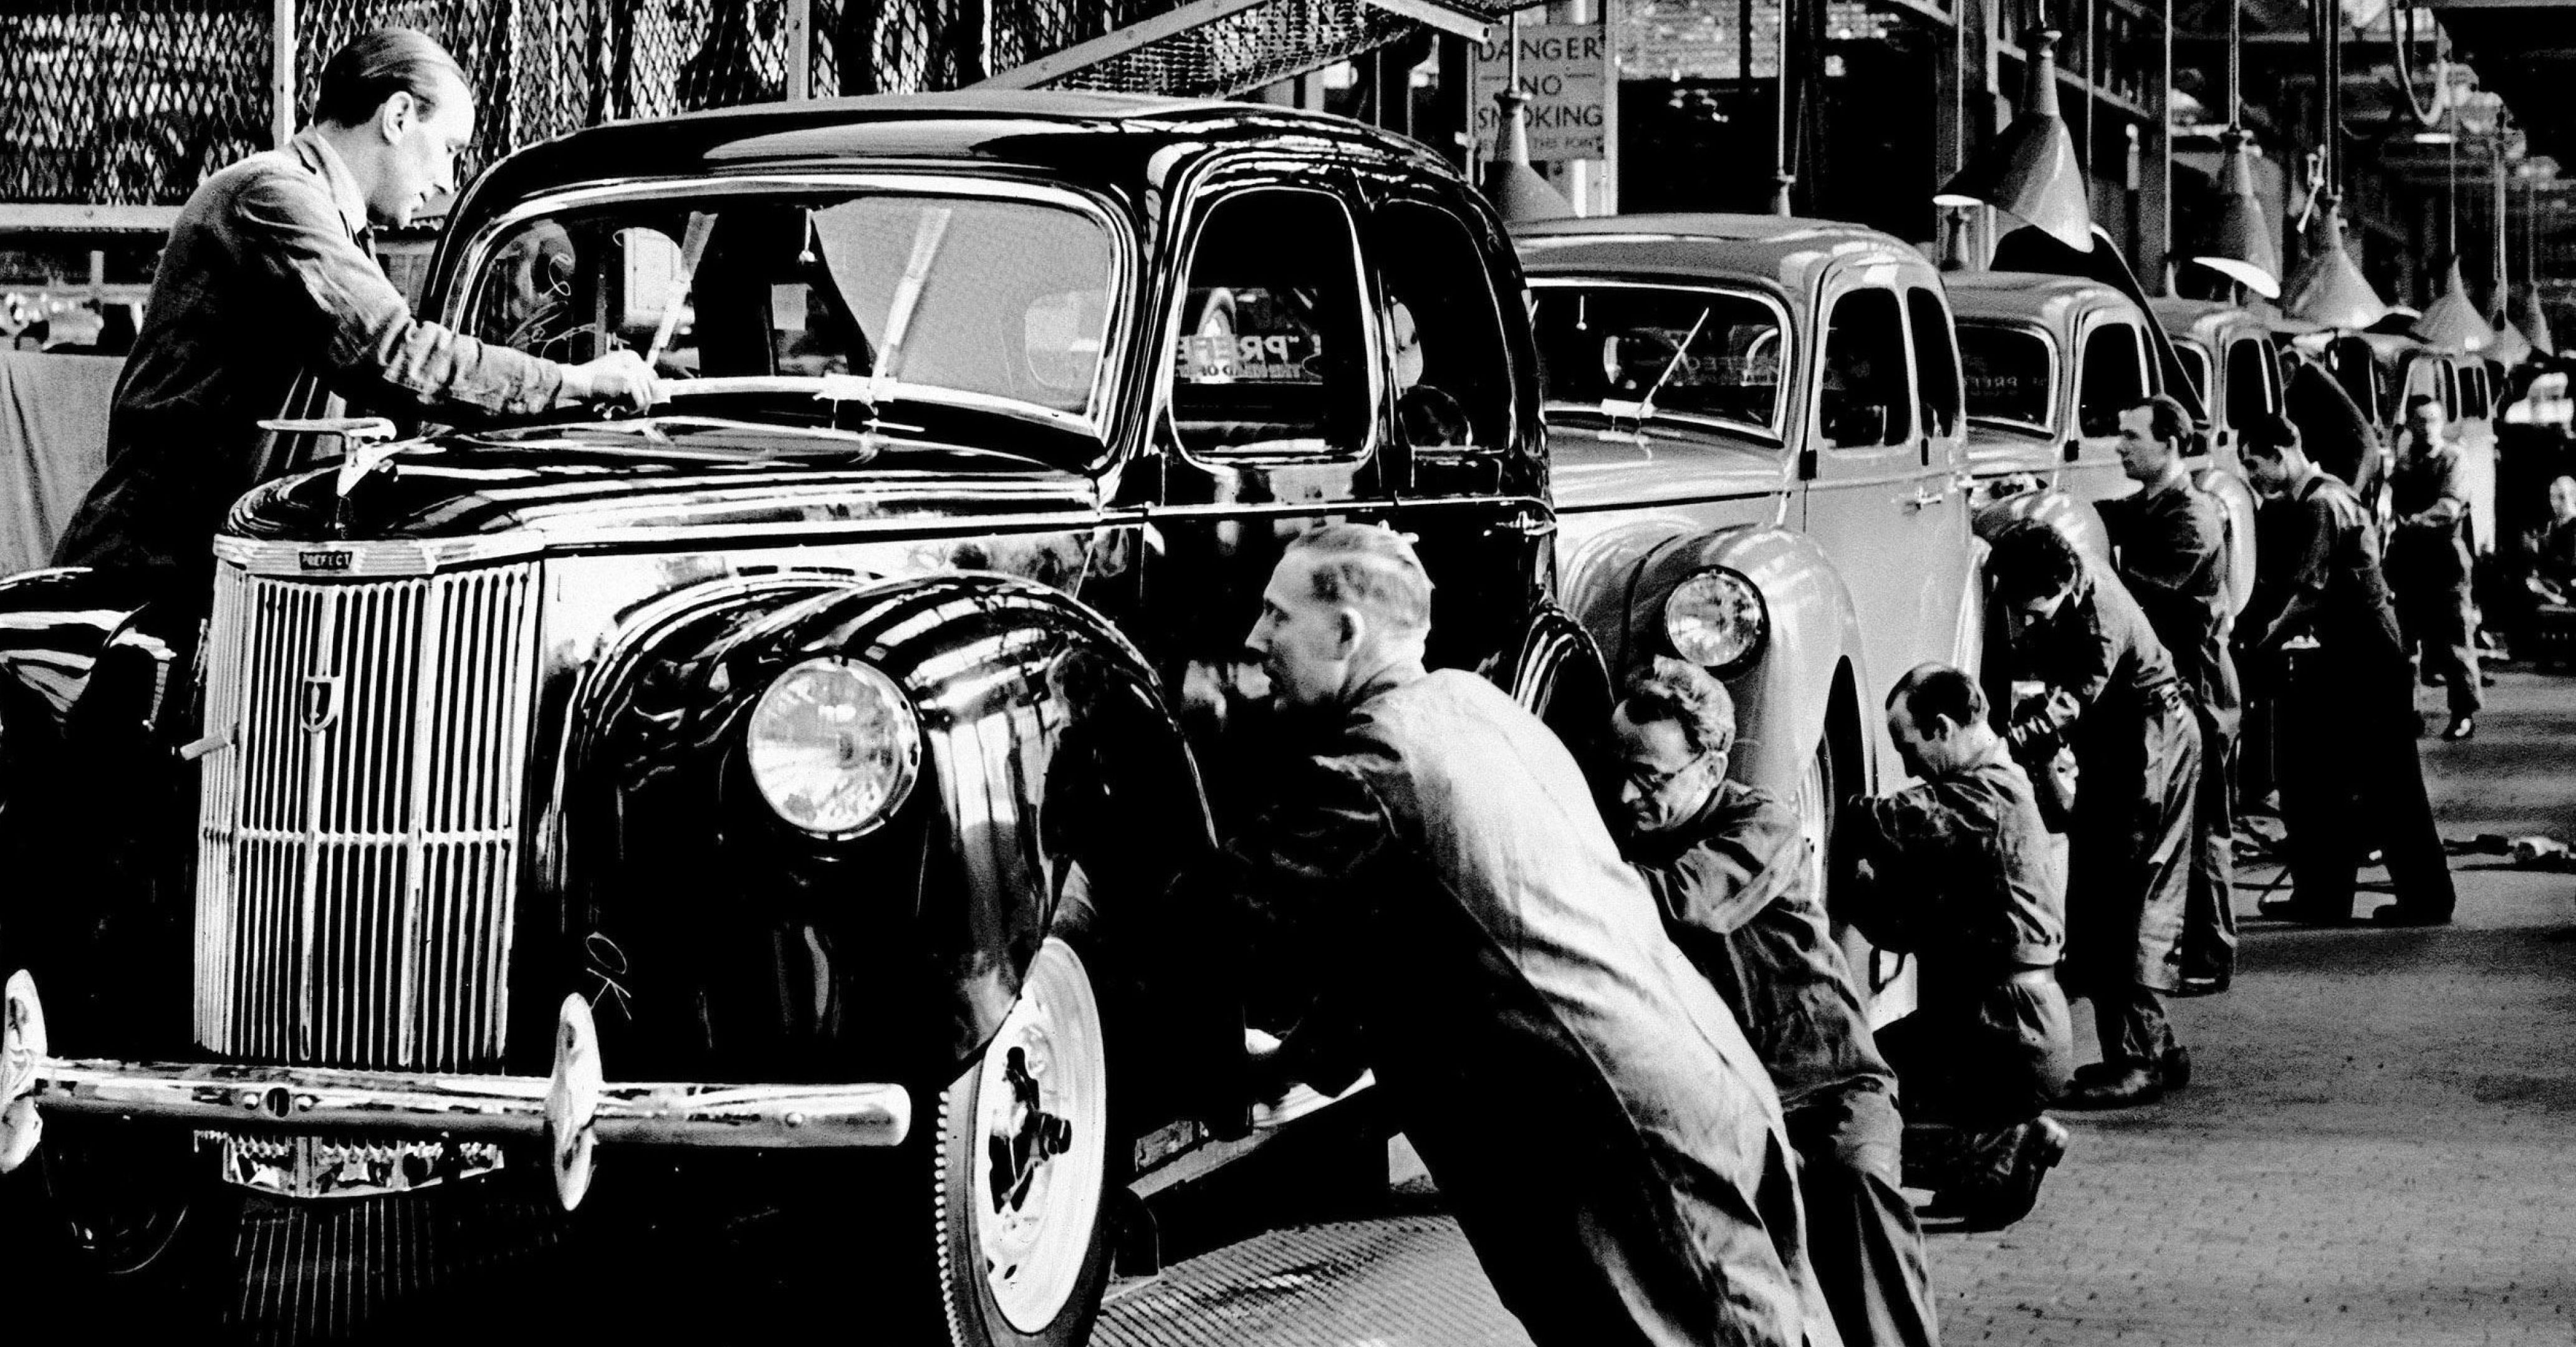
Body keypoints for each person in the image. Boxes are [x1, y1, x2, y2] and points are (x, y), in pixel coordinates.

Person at [1188, 524, 1839, 1347]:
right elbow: (1407, 952)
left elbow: (1210, 922)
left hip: (1628, 1146)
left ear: (1346, 632)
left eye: (1277, 616)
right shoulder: (1479, 710)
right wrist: (1291, 1066)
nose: (1256, 640)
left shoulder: (1382, 761)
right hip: (1703, 1097)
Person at [50, 27, 653, 604]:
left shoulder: (328, 218)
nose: (447, 180)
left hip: (221, 568)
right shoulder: (273, 196)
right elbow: (393, 353)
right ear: (398, 117)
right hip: (150, 580)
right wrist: (574, 381)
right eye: (449, 149)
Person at [1607, 658, 1937, 1347]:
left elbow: (1689, 904)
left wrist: (1572, 874)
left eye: (1649, 778)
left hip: (1829, 1092)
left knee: (1859, 1210)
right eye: (1619, 772)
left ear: (1710, 766)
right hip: (1738, 1109)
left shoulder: (1763, 824)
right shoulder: (1632, 841)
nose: (1626, 794)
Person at [1837, 664, 2074, 1228]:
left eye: (1909, 747)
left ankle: (2003, 1151)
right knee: (1869, 1077)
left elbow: (1878, 820)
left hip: (2003, 1029)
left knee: (1853, 1094)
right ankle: (1982, 1175)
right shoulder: (1996, 788)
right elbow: (1906, 924)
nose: (1908, 766)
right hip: (2010, 1022)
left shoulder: (1984, 796)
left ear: (1942, 728)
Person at [1985, 520, 2201, 1109]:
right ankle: (2159, 1046)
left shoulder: (2099, 613)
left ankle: (2137, 1062)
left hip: (2151, 743)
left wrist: (2003, 749)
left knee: (2125, 895)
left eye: (2034, 612)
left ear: (2060, 585)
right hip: (2130, 739)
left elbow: (2073, 699)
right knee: (2110, 886)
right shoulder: (2065, 570)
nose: (2027, 623)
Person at [2237, 415, 2458, 925]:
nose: (2252, 476)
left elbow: (2309, 594)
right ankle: (2321, 894)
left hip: (2369, 655)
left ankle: (2426, 898)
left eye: (2254, 464)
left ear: (2281, 454)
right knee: (2323, 776)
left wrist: (2264, 643)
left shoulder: (2321, 503)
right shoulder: (2324, 495)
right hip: (2351, 651)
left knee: (2389, 780)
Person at [2102, 395, 2240, 996]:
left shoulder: (2193, 517)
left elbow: (2142, 593)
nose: (2120, 446)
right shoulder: (2150, 506)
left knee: (2203, 826)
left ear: (2171, 443)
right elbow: (2105, 517)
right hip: (2175, 686)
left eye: (2132, 436)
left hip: (2200, 689)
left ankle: (2211, 956)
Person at [2386, 394, 2482, 740]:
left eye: (2433, 420)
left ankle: (2464, 713)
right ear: (2411, 425)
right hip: (2410, 564)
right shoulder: (2405, 464)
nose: (2427, 428)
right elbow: (2389, 495)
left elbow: (2450, 506)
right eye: (2420, 421)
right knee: (2405, 643)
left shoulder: (2453, 458)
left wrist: (2412, 521)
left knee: (2455, 641)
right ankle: (2408, 711)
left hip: (2445, 561)